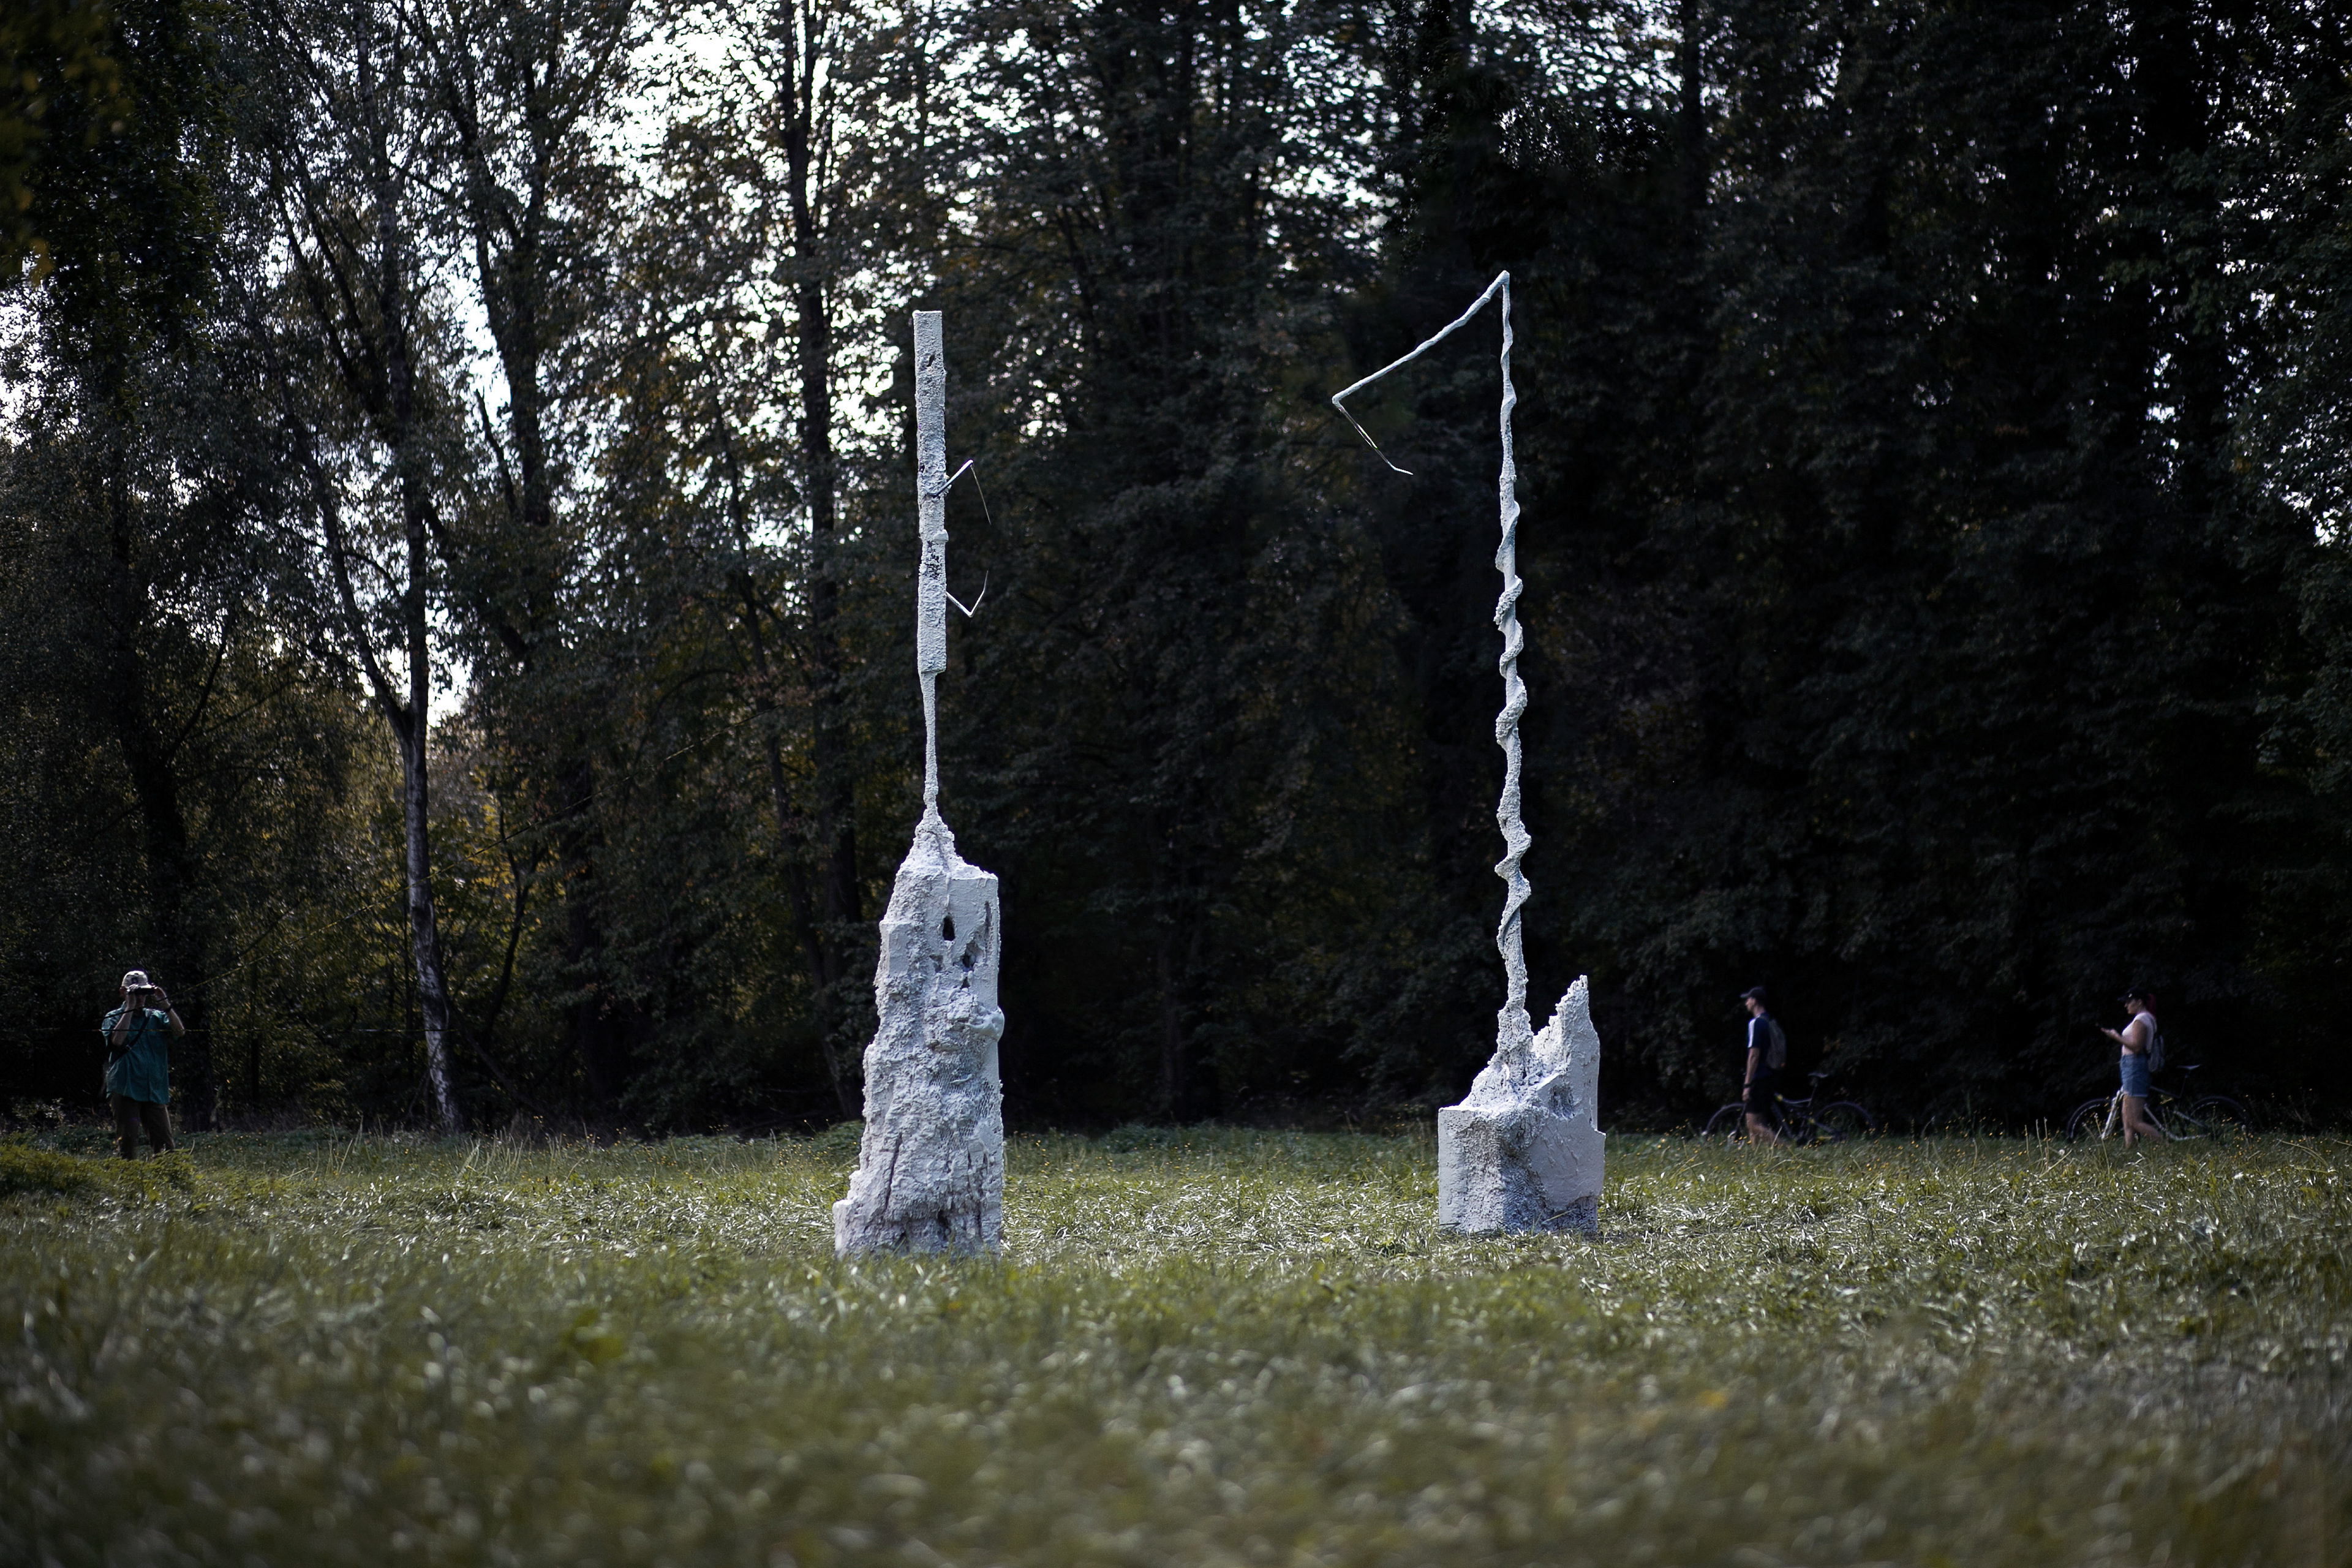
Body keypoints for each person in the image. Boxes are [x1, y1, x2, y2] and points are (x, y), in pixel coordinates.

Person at [100, 969, 184, 1159]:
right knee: (128, 1145)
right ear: (123, 992)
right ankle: (129, 1184)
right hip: (125, 1089)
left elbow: (180, 1032)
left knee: (166, 1147)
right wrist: (129, 1008)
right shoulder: (113, 1017)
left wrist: (165, 1003)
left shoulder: (156, 1017)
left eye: (143, 993)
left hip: (154, 1089)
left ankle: (169, 1183)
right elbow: (117, 1041)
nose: (140, 998)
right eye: (135, 993)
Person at [2099, 988, 2165, 1148]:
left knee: (2135, 1121)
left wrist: (2116, 1037)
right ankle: (2130, 1156)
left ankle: (2166, 1148)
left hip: (2135, 1067)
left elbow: (2136, 1047)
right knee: (2127, 1120)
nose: (2126, 1005)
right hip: (2130, 1066)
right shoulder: (2144, 1018)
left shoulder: (2142, 1019)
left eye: (2129, 1002)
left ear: (2139, 1002)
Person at [1738, 986, 1782, 1145]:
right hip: (1771, 1075)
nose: (1746, 1004)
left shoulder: (1756, 1023)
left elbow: (1754, 1055)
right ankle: (1756, 1161)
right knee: (1756, 1124)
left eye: (1748, 1000)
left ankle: (1789, 1149)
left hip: (1759, 1078)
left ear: (1754, 1001)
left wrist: (1747, 1084)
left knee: (1753, 1125)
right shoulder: (1769, 1021)